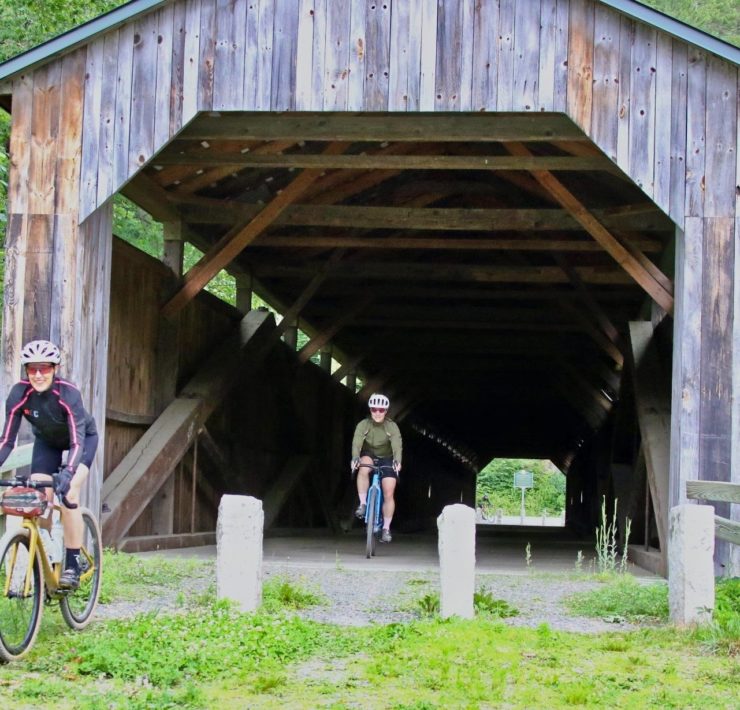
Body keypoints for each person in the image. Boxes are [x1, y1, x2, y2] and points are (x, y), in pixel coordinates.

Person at [0, 340, 98, 589]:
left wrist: (69, 473)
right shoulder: (19, 394)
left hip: (82, 440)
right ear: (26, 371)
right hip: (48, 443)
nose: (38, 374)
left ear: (55, 368)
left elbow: (77, 441)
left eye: (44, 368)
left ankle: (74, 564)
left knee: (68, 494)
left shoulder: (67, 393)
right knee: (40, 503)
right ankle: (52, 554)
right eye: (32, 369)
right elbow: (6, 441)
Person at [350, 393, 402, 543]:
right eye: (374, 409)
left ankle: (386, 528)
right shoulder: (363, 425)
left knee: (389, 491)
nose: (377, 413)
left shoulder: (391, 426)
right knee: (363, 468)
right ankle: (363, 504)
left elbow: (397, 445)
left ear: (386, 411)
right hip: (369, 453)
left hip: (387, 457)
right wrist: (355, 457)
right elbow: (357, 442)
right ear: (370, 410)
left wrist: (398, 461)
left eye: (381, 410)